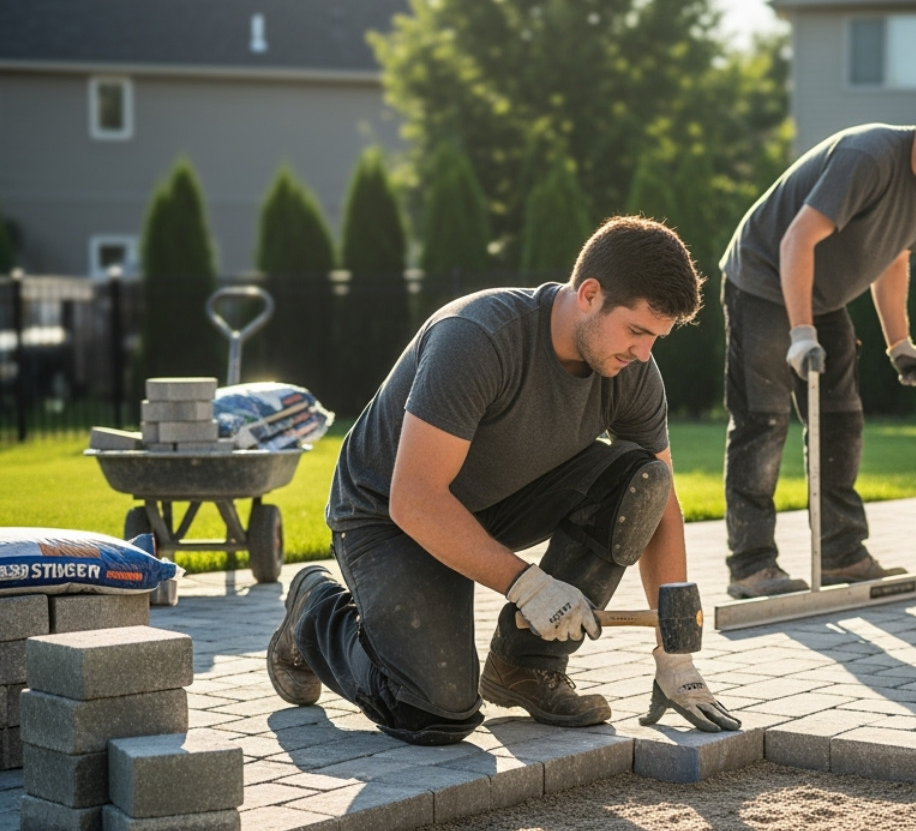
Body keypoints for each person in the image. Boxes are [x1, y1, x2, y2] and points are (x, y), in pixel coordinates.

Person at [265, 217, 739, 745]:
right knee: (435, 710)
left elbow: (661, 503)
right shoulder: (478, 337)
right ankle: (314, 612)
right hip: (391, 516)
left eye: (656, 338)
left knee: (643, 478)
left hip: (495, 504)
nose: (644, 353)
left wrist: (675, 653)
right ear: (589, 294)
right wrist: (526, 585)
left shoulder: (632, 373)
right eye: (637, 331)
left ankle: (526, 665)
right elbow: (415, 498)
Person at [720, 95, 916, 598]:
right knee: (762, 421)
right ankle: (751, 565)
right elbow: (795, 241)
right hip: (764, 280)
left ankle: (840, 555)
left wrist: (899, 342)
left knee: (841, 418)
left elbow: (894, 259)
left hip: (825, 295)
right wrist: (801, 333)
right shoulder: (869, 157)